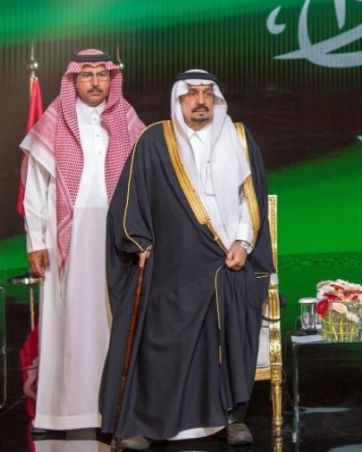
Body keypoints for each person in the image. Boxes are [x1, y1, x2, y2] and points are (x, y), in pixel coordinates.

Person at [100, 70, 272, 450]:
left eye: (207, 93)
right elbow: (129, 201)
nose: (200, 101)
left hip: (228, 261)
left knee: (231, 330)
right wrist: (138, 242)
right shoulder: (154, 141)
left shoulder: (239, 138)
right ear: (178, 100)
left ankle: (231, 417)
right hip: (172, 263)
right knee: (160, 336)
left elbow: (251, 202)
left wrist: (243, 244)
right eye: (192, 94)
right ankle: (148, 421)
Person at [20, 48, 145, 432]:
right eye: (86, 75)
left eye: (101, 74)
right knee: (69, 318)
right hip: (67, 237)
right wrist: (35, 241)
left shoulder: (125, 118)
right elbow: (35, 187)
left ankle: (117, 406)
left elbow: (145, 180)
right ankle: (66, 411)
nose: (95, 82)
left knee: (114, 316)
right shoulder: (55, 119)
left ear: (111, 79)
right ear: (73, 80)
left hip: (116, 235)